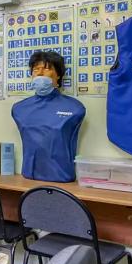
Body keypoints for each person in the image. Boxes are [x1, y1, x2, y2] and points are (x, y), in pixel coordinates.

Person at [11, 50, 85, 182]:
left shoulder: (75, 108)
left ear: (58, 75)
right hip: (28, 178)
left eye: (46, 69)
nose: (40, 73)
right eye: (36, 69)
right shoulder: (19, 109)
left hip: (61, 177)